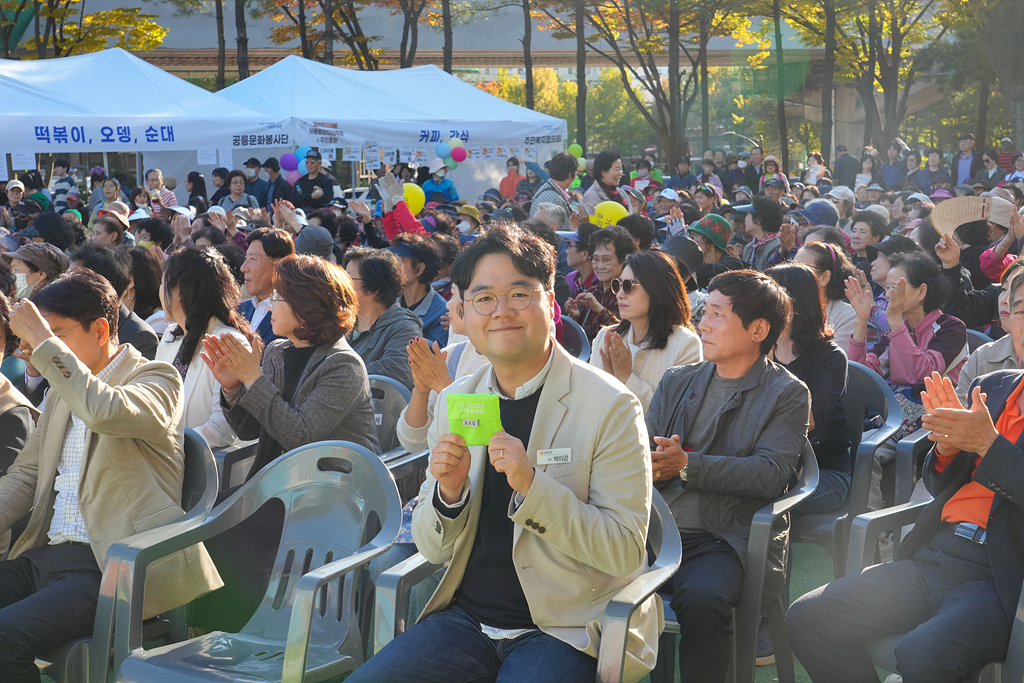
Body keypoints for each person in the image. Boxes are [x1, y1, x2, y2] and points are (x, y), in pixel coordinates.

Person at [348, 223, 658, 683]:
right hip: (466, 620)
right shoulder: (457, 400)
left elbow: (624, 553)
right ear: (465, 313)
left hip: (566, 626)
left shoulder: (609, 404)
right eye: (484, 298)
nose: (500, 312)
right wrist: (447, 496)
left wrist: (533, 486)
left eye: (518, 294)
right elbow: (433, 547)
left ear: (550, 303)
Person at [0, 271, 221, 680]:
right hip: (44, 555)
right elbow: (25, 476)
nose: (38, 350)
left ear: (101, 330)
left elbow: (107, 411)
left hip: (111, 567)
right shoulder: (61, 389)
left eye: (58, 334)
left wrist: (43, 342)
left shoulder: (157, 378)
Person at [788, 364, 1024, 682]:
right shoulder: (993, 386)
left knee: (921, 656)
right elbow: (940, 485)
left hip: (1002, 578)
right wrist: (948, 447)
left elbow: (991, 455)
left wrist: (987, 445)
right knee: (809, 618)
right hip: (937, 553)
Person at [645, 269, 808, 683]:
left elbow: (771, 474)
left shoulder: (787, 393)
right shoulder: (677, 380)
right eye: (705, 311)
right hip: (650, 529)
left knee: (704, 599)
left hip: (724, 538)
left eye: (718, 314)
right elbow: (643, 453)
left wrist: (687, 465)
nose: (703, 323)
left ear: (758, 329)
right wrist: (652, 461)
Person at [207, 253, 380, 479]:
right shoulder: (276, 351)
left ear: (307, 307)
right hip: (277, 483)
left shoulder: (343, 365)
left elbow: (301, 437)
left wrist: (253, 379)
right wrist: (233, 390)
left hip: (333, 490)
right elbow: (249, 430)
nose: (269, 306)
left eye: (277, 297)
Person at [847, 251, 967, 436]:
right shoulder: (895, 331)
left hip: (937, 421)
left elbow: (924, 373)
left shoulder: (951, 328)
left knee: (867, 448)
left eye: (895, 288)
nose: (887, 295)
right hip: (898, 417)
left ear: (921, 291)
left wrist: (895, 323)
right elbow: (861, 374)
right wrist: (862, 320)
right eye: (887, 287)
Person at [766, 264, 851, 513]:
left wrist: (768, 366)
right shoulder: (759, 348)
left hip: (820, 473)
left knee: (755, 508)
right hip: (767, 465)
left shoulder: (831, 357)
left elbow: (807, 420)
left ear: (792, 304)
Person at [157, 247, 256, 449]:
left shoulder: (228, 342)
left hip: (201, 468)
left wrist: (167, 446)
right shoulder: (171, 335)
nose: (159, 289)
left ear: (180, 293)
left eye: (163, 283)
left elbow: (223, 429)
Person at [589, 250, 702, 411]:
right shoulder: (606, 336)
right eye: (618, 285)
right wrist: (607, 381)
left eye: (628, 286)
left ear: (656, 290)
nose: (619, 294)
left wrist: (626, 378)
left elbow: (672, 414)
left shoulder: (685, 344)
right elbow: (590, 403)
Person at [344, 247, 424, 390]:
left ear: (374, 289)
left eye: (348, 278)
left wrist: (334, 375)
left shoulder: (404, 327)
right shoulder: (342, 320)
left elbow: (396, 373)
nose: (340, 283)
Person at [68, 243, 159, 361]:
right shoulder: (69, 322)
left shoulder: (140, 336)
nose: (63, 285)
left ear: (98, 287)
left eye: (72, 280)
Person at [565, 226, 635, 341]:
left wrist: (599, 310)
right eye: (596, 259)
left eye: (606, 260)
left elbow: (627, 332)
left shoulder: (630, 293)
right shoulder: (592, 292)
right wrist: (574, 316)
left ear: (623, 259)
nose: (600, 266)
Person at [793, 241, 859, 352]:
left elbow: (836, 361)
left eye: (802, 268)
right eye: (792, 266)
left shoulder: (847, 316)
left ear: (825, 277)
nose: (792, 273)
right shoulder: (785, 307)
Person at [239, 227, 295, 346]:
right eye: (246, 258)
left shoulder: (294, 317)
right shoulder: (241, 310)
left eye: (253, 259)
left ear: (278, 265)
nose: (243, 268)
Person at [687, 214, 743, 288]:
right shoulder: (700, 262)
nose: (692, 239)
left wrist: (684, 254)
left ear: (712, 241)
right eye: (692, 235)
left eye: (696, 235)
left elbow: (706, 273)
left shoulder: (733, 265)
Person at [2, 243, 69, 301]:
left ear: (41, 274)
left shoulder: (50, 312)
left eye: (16, 270)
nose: (11, 275)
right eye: (11, 270)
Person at [734, 196, 783, 271]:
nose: (745, 220)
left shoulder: (777, 247)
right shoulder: (749, 248)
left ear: (758, 220)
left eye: (748, 215)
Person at [529, 152, 576, 231]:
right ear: (570, 174)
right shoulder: (556, 199)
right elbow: (561, 236)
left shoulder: (546, 188)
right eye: (576, 173)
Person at [559, 224, 599, 298]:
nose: (566, 251)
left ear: (584, 254)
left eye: (569, 246)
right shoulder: (569, 278)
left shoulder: (601, 283)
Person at [582, 150, 626, 214]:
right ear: (603, 172)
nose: (620, 173)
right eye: (616, 170)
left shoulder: (622, 193)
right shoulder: (591, 196)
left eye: (621, 169)